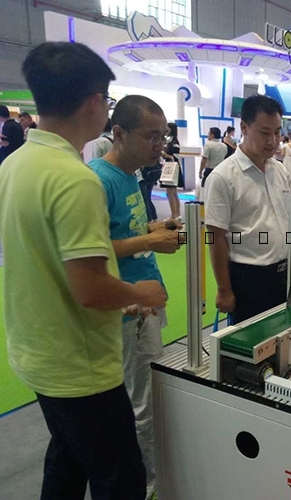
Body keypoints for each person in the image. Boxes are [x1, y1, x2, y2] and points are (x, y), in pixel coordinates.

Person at [0, 41, 167, 500]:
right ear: (94, 103)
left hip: (36, 350)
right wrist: (144, 294)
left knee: (68, 462)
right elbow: (90, 288)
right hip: (79, 364)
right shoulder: (76, 178)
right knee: (121, 479)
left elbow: (50, 260)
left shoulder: (16, 164)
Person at [89, 95, 182, 500]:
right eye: (151, 136)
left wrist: (154, 229)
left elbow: (124, 230)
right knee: (139, 402)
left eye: (163, 137)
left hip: (145, 299)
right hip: (125, 308)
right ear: (119, 133)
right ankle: (147, 483)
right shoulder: (98, 179)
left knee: (147, 394)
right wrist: (148, 240)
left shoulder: (131, 175)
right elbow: (91, 250)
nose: (159, 145)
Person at [205, 95, 291, 323]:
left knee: (287, 335)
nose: (272, 141)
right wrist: (224, 289)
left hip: (285, 273)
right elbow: (216, 238)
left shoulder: (280, 171)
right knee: (251, 341)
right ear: (244, 127)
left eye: (277, 132)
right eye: (264, 132)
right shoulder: (223, 177)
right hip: (249, 278)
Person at [161, 122, 184, 220]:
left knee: (170, 193)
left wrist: (164, 155)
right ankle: (176, 214)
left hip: (172, 168)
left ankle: (174, 214)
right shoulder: (168, 140)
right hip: (169, 167)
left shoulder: (174, 142)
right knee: (173, 193)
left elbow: (175, 156)